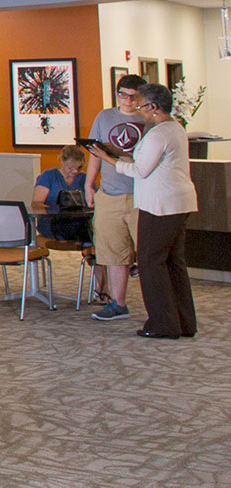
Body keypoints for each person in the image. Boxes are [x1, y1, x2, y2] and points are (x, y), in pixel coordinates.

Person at [85, 83, 197, 340]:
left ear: (153, 107)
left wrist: (109, 158)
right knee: (173, 263)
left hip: (160, 205)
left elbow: (139, 170)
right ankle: (183, 322)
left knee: (150, 263)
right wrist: (121, 156)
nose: (138, 110)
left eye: (142, 105)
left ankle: (163, 324)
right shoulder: (175, 128)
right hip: (178, 203)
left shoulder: (158, 133)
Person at [84, 75, 148, 321]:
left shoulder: (148, 120)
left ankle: (157, 306)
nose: (128, 101)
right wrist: (90, 185)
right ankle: (117, 303)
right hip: (109, 193)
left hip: (140, 195)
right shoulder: (104, 117)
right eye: (123, 94)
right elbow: (95, 154)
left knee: (147, 255)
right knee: (113, 252)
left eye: (134, 96)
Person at [31, 146, 89, 242]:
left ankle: (90, 252)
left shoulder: (84, 178)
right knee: (85, 231)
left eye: (79, 168)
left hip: (79, 220)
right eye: (71, 168)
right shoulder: (49, 176)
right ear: (62, 161)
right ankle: (89, 249)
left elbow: (94, 201)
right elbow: (36, 203)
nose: (75, 171)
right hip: (53, 222)